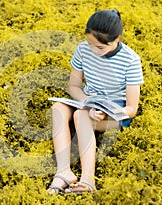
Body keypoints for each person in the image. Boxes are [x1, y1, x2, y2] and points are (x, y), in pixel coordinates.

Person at [47, 9, 144, 195]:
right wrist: (87, 101)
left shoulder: (130, 60)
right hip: (88, 100)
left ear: (117, 40)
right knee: (58, 108)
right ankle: (63, 172)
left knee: (81, 115)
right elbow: (74, 85)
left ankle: (88, 180)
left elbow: (131, 108)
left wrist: (101, 110)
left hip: (113, 111)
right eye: (90, 44)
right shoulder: (83, 50)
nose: (93, 50)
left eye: (100, 47)